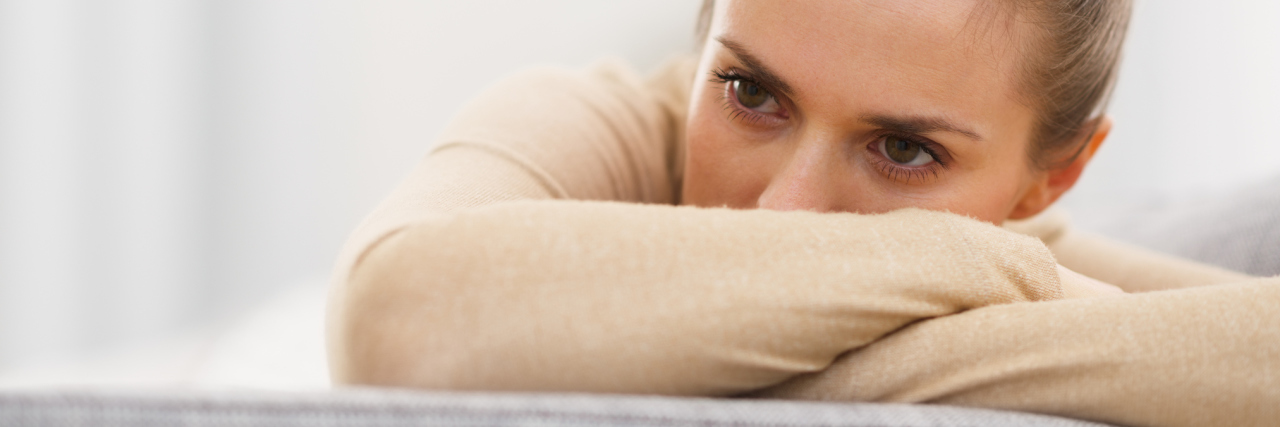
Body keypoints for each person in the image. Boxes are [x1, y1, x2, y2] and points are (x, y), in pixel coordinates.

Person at [326, 1, 1279, 426]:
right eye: (749, 92)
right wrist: (988, 273)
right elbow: (393, 325)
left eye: (904, 150)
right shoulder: (600, 123)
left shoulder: (1031, 236)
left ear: (1049, 183)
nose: (785, 209)